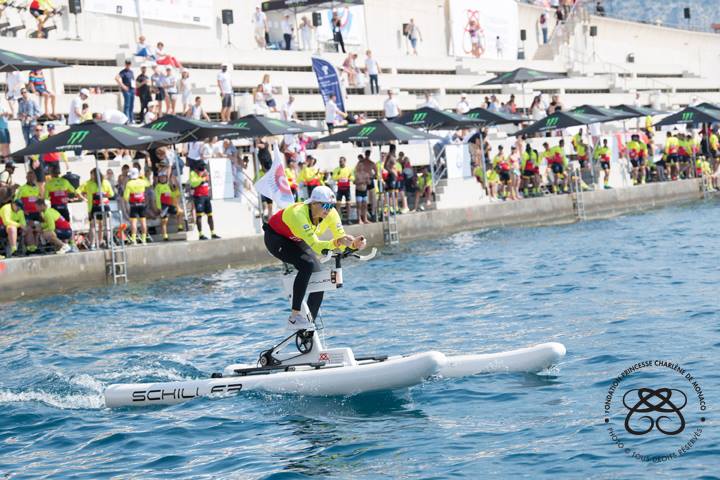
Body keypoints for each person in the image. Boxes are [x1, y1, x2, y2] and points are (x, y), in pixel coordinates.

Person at [264, 186, 366, 330]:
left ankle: (308, 325)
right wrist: (338, 242)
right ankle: (294, 318)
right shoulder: (298, 214)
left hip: (297, 238)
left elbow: (341, 240)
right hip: (276, 238)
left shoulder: (331, 214)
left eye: (331, 205)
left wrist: (353, 244)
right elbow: (317, 246)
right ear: (313, 203)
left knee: (320, 277)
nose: (329, 209)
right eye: (325, 205)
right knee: (308, 265)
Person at [78, 168, 114, 248]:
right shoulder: (105, 182)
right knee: (105, 225)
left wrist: (84, 199)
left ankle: (93, 244)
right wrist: (104, 196)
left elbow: (77, 192)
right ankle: (106, 242)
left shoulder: (89, 183)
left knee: (93, 226)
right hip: (105, 206)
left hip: (93, 207)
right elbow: (111, 194)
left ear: (93, 175)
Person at [189, 162, 219, 240]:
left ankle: (213, 233)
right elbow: (194, 183)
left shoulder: (205, 172)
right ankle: (200, 234)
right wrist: (202, 178)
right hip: (199, 197)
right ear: (196, 169)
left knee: (210, 215)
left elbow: (207, 180)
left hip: (206, 196)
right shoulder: (193, 173)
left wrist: (204, 177)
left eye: (202, 168)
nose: (202, 170)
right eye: (200, 169)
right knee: (199, 215)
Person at [123, 167, 150, 244]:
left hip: (133, 205)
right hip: (142, 204)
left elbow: (125, 196)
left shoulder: (129, 183)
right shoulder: (142, 181)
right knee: (143, 222)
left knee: (133, 223)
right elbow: (148, 183)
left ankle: (134, 239)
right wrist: (143, 177)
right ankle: (144, 239)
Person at [155, 170, 181, 241]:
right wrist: (159, 207)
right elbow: (157, 198)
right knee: (164, 220)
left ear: (166, 178)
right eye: (161, 177)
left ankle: (180, 226)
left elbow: (175, 195)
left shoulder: (169, 185)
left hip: (170, 204)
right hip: (163, 205)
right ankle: (165, 235)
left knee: (179, 212)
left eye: (164, 177)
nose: (162, 179)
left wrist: (175, 189)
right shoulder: (158, 186)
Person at [354, 153, 375, 223]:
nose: (361, 167)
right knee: (359, 206)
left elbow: (369, 182)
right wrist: (361, 182)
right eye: (360, 166)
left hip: (364, 191)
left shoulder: (366, 174)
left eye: (362, 166)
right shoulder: (357, 174)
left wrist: (366, 180)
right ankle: (359, 219)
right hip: (358, 190)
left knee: (365, 205)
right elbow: (355, 182)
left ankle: (365, 219)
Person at [332, 156, 354, 221]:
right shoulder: (337, 169)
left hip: (347, 188)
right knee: (338, 203)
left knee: (348, 203)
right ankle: (338, 219)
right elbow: (333, 177)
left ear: (345, 161)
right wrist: (339, 177)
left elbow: (353, 177)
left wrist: (349, 178)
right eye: (339, 162)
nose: (340, 163)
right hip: (340, 188)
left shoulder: (349, 169)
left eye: (341, 161)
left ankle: (348, 218)